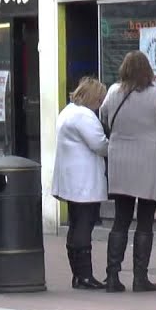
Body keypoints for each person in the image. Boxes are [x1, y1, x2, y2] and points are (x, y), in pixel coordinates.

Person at [98, 51, 156, 293]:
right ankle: (140, 278)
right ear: (147, 70)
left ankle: (112, 276)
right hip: (149, 161)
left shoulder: (113, 92)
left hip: (121, 160)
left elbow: (104, 120)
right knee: (145, 220)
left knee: (121, 219)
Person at [51, 76, 110, 290]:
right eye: (100, 98)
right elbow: (100, 145)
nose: (100, 103)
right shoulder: (85, 116)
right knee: (85, 226)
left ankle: (77, 275)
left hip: (70, 180)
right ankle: (85, 276)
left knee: (75, 225)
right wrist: (113, 145)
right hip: (84, 181)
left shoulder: (67, 112)